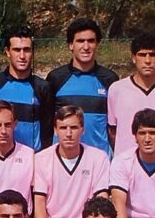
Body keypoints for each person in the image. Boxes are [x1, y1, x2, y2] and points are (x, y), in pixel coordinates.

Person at [33, 105, 110, 218]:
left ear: (83, 130)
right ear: (55, 130)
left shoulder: (98, 157)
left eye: (74, 128)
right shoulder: (41, 159)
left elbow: (101, 199)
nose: (68, 134)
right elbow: (39, 202)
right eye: (63, 128)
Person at [46, 18, 119, 157]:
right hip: (63, 160)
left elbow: (114, 127)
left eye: (91, 41)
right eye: (80, 41)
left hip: (99, 161)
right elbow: (47, 123)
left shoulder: (110, 79)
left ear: (97, 44)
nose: (86, 47)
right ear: (71, 45)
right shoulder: (55, 78)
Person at [108, 32, 155, 156]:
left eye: (152, 55)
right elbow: (112, 130)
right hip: (127, 164)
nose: (148, 61)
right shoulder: (117, 89)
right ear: (134, 58)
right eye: (142, 55)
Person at [0, 26, 53, 151]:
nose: (22, 56)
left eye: (27, 50)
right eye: (17, 50)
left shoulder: (43, 88)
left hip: (32, 159)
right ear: (7, 51)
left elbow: (47, 131)